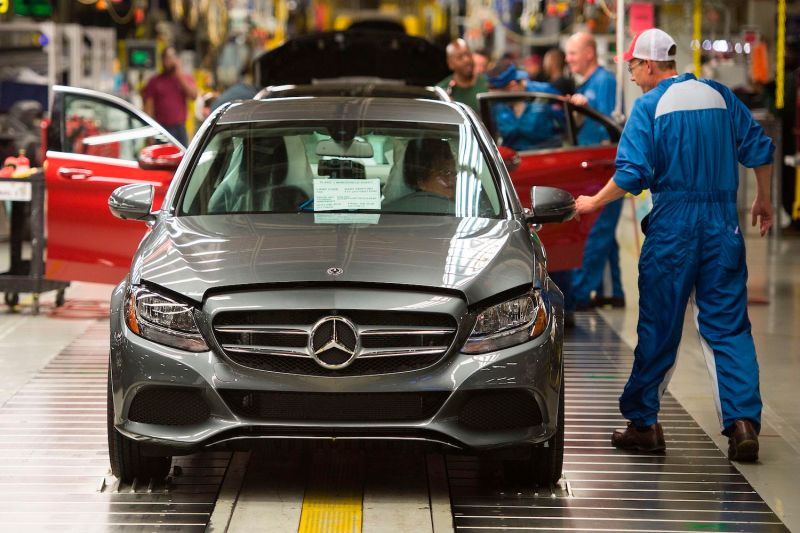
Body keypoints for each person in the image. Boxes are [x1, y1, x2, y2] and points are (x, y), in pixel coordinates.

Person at [574, 28, 774, 462]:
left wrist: (592, 201)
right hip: (723, 225)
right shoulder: (720, 95)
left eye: (632, 68)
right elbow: (760, 149)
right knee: (728, 326)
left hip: (673, 229)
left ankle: (644, 425)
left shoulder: (649, 107)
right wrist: (764, 198)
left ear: (649, 64)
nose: (632, 77)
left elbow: (630, 175)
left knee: (660, 326)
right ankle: (742, 424)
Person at [565, 31, 625, 311]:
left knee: (597, 229)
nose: (568, 58)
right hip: (588, 165)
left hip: (602, 167)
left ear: (589, 53)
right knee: (606, 230)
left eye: (573, 52)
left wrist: (587, 108)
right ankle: (612, 290)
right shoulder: (588, 83)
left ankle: (577, 294)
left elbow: (610, 125)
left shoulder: (605, 82)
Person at [486, 59, 562, 151]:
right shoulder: (495, 104)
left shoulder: (544, 92)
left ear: (512, 85)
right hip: (513, 159)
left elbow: (566, 122)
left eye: (499, 95)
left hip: (546, 156)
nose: (497, 100)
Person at [142, 47, 198, 146]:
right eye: (167, 58)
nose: (169, 61)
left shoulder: (185, 78)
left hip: (180, 128)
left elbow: (194, 95)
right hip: (161, 129)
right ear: (162, 61)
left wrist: (179, 75)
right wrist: (149, 133)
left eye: (172, 57)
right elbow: (149, 108)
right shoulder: (155, 81)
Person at [387, 138, 457, 213]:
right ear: (421, 180)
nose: (452, 179)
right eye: (444, 173)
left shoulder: (386, 212)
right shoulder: (462, 214)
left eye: (454, 173)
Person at [437, 39, 489, 112]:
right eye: (460, 57)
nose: (467, 60)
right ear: (450, 64)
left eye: (468, 54)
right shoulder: (442, 91)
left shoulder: (488, 84)